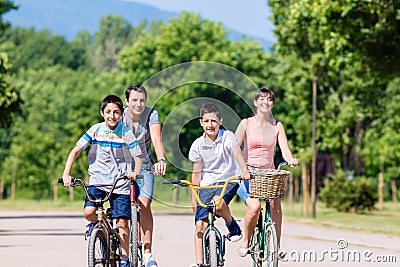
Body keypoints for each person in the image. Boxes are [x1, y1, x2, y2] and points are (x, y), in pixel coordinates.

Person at [62, 95, 143, 267]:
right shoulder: (95, 130)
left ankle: (124, 259)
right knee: (89, 213)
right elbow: (75, 150)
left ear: (121, 114)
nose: (111, 116)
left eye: (116, 112)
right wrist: (66, 173)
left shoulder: (126, 133)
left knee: (122, 222)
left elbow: (138, 158)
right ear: (102, 113)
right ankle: (99, 229)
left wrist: (134, 173)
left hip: (120, 182)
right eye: (108, 112)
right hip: (98, 181)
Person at [235, 88, 298, 259]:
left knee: (275, 203)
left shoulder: (277, 125)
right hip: (248, 174)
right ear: (255, 103)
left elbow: (284, 148)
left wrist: (291, 159)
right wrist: (243, 169)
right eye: (261, 99)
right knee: (255, 207)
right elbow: (234, 147)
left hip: (268, 174)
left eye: (269, 99)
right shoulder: (246, 123)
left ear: (273, 104)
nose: (265, 102)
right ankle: (246, 241)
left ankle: (277, 246)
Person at [188, 103, 250, 267]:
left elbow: (237, 154)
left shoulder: (228, 136)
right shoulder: (197, 145)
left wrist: (244, 170)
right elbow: (196, 173)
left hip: (228, 181)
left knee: (218, 202)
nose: (210, 125)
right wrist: (194, 199)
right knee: (200, 225)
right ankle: (199, 263)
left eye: (214, 121)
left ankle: (232, 225)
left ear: (220, 121)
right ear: (201, 122)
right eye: (206, 121)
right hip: (206, 185)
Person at [121, 84, 167, 267]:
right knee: (121, 210)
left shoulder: (151, 114)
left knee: (144, 204)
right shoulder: (120, 115)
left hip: (145, 165)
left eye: (142, 100)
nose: (138, 104)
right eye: (134, 100)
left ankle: (147, 253)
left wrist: (161, 159)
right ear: (127, 101)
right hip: (122, 166)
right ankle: (123, 251)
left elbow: (156, 139)